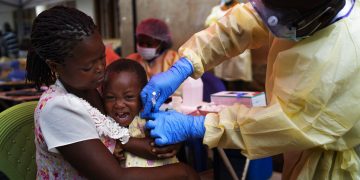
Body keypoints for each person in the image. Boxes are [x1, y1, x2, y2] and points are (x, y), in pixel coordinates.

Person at [141, 0, 360, 179]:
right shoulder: (297, 10)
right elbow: (246, 22)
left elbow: (286, 124)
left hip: (333, 167)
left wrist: (199, 125)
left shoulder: (347, 53)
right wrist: (185, 63)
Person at [26, 6, 198, 179]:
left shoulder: (94, 88)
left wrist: (165, 141)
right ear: (56, 67)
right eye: (88, 67)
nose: (101, 69)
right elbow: (115, 177)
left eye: (102, 57)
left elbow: (128, 131)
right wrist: (183, 172)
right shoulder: (59, 109)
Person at [102, 59, 179, 167]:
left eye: (128, 97)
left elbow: (160, 149)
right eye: (110, 97)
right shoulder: (105, 123)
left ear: (143, 95)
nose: (119, 104)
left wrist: (122, 143)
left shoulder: (148, 117)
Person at [205, 0, 253, 91]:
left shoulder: (242, 7)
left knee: (239, 83)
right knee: (223, 83)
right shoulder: (216, 10)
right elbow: (210, 26)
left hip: (239, 51)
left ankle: (240, 103)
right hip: (223, 50)